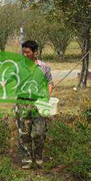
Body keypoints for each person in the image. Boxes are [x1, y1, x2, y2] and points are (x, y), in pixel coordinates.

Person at [14, 40, 54, 169]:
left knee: (39, 132)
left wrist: (47, 96)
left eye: (28, 52)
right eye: (23, 52)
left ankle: (38, 157)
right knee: (24, 133)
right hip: (22, 103)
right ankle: (26, 159)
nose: (25, 55)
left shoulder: (43, 68)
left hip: (39, 104)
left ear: (35, 52)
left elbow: (49, 82)